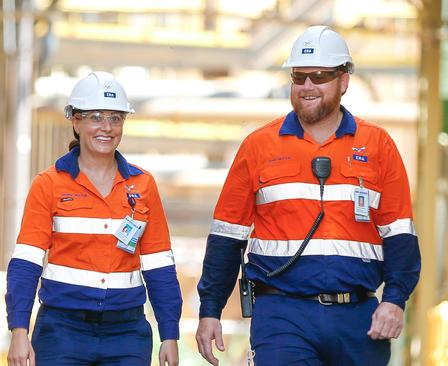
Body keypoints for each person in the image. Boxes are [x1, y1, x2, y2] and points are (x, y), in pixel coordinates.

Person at [196, 25, 421, 365]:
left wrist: (394, 299)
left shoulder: (378, 146)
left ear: (343, 81)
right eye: (299, 77)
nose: (308, 86)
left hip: (358, 318)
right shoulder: (258, 147)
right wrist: (210, 308)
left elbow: (400, 234)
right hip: (282, 315)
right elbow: (227, 236)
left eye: (319, 76)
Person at [5, 71, 182, 366]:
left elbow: (159, 267)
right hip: (61, 331)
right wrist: (19, 331)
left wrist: (170, 335)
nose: (107, 127)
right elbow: (26, 264)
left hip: (126, 333)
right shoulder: (48, 184)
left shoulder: (143, 185)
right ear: (75, 120)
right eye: (96, 116)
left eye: (115, 118)